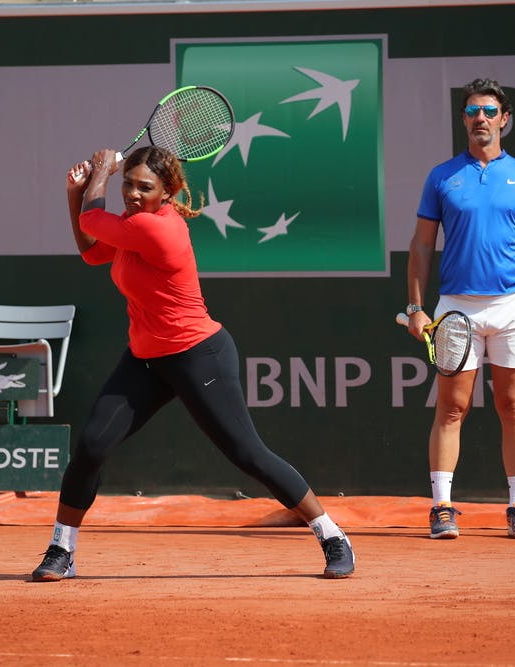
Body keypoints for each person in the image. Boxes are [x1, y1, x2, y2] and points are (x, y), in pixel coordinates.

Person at [32, 145, 355, 580]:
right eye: (127, 183)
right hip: (146, 359)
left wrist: (101, 175)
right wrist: (76, 194)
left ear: (168, 192)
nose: (131, 193)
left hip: (197, 354)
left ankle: (332, 535)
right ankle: (61, 549)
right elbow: (92, 250)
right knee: (91, 445)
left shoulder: (158, 230)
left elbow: (93, 221)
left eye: (143, 187)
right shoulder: (132, 224)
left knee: (248, 454)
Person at [405, 78, 515, 540]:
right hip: (456, 307)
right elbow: (420, 246)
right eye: (472, 111)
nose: (480, 119)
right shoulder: (442, 176)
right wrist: (416, 307)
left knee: (513, 405)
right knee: (451, 408)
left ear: (504, 120)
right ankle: (442, 508)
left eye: (489, 111)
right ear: (464, 120)